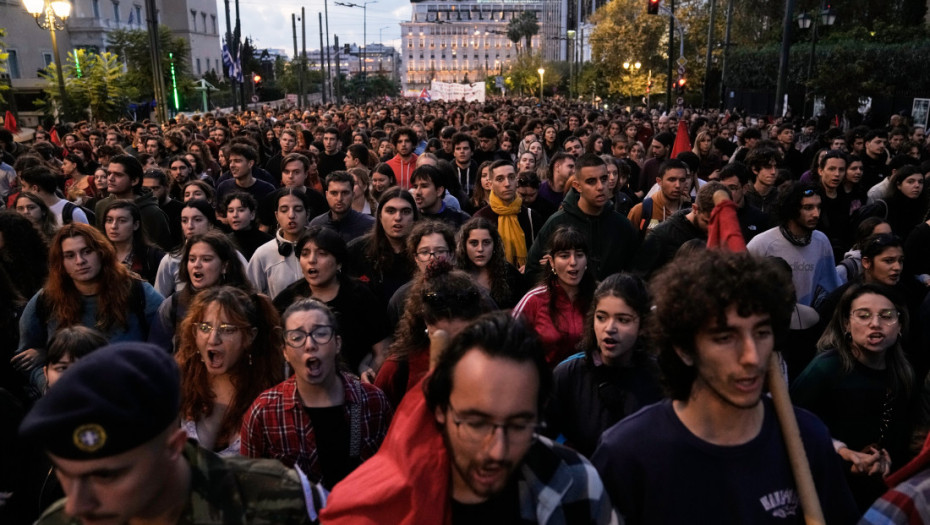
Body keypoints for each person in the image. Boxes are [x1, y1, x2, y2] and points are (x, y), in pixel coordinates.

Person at [592, 249, 858, 524]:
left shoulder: (807, 439)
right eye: (725, 337)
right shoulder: (627, 454)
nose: (753, 357)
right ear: (684, 349)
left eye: (761, 332)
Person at [322, 311, 618, 524]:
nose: (497, 450)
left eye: (518, 425)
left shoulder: (576, 484)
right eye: (476, 423)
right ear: (440, 410)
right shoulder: (381, 509)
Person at [18, 342, 314, 525]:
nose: (76, 505)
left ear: (173, 448)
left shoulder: (277, 499)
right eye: (66, 475)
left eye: (106, 476)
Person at [241, 298, 393, 489]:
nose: (310, 344)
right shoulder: (264, 412)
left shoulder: (372, 401)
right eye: (297, 337)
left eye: (320, 334)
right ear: (285, 352)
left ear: (337, 344)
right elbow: (251, 492)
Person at [791, 283, 916, 511]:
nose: (875, 324)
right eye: (863, 315)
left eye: (887, 316)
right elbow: (793, 428)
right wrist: (844, 456)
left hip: (877, 491)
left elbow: (901, 433)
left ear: (900, 325)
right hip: (825, 490)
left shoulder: (903, 374)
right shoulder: (825, 370)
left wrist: (886, 458)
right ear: (847, 324)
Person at [14, 223, 164, 396]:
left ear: (101, 253)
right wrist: (47, 383)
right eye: (70, 255)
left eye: (87, 251)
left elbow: (167, 343)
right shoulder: (47, 299)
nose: (80, 261)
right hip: (69, 400)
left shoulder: (136, 291)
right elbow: (26, 359)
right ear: (61, 262)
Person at [545, 273, 662, 458]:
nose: (609, 328)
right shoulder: (568, 374)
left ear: (643, 324)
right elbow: (544, 433)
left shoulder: (659, 378)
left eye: (623, 320)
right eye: (601, 317)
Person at [175, 286, 284, 456]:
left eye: (227, 329)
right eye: (205, 327)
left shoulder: (270, 391)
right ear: (194, 332)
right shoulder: (180, 380)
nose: (213, 339)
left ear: (250, 336)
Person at [273, 226, 391, 375]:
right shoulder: (287, 300)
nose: (312, 260)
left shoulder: (360, 296)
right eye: (305, 254)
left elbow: (383, 348)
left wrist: (367, 376)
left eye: (322, 254)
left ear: (339, 262)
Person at [527, 154, 639, 280]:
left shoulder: (622, 225)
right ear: (577, 186)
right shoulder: (557, 223)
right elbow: (532, 271)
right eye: (591, 181)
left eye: (603, 179)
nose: (600, 187)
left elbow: (637, 272)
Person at [148, 230, 253, 352]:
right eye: (192, 259)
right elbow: (156, 354)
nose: (196, 265)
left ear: (225, 266)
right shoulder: (173, 304)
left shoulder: (246, 304)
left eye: (206, 259)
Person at [747, 182, 841, 307]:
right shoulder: (762, 244)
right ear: (791, 209)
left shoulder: (821, 241)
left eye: (818, 207)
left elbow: (833, 287)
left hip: (805, 321)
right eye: (808, 208)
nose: (816, 214)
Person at [514, 226, 596, 367]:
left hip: (588, 384)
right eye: (564, 256)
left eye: (579, 255)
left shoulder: (599, 298)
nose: (573, 262)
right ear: (551, 262)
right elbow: (507, 343)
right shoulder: (534, 299)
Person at [345, 187, 419, 305]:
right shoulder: (356, 250)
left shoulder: (423, 253)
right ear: (380, 215)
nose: (398, 217)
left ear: (414, 217)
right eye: (390, 211)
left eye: (405, 211)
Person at [94, 154, 173, 251]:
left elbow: (163, 251)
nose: (110, 178)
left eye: (118, 175)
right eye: (109, 173)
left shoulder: (152, 212)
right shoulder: (102, 206)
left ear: (134, 180)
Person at [474, 160, 542, 269]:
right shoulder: (481, 219)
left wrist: (530, 266)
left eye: (511, 177)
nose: (507, 184)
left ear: (516, 181)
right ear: (490, 184)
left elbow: (542, 253)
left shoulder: (531, 217)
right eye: (500, 179)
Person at [247, 188, 311, 299]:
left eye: (298, 209)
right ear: (277, 216)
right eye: (284, 210)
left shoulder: (321, 249)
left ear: (307, 214)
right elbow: (252, 296)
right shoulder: (263, 254)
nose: (291, 215)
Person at [455, 217, 525, 310]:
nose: (480, 249)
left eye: (486, 242)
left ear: (494, 245)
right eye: (474, 243)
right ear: (464, 246)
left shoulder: (509, 274)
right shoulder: (454, 276)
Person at [102, 200, 165, 285]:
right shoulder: (100, 255)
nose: (113, 226)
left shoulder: (153, 256)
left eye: (122, 221)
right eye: (109, 220)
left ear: (135, 225)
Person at [627, 159, 692, 237]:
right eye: (672, 180)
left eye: (682, 180)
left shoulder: (692, 210)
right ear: (659, 181)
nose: (678, 185)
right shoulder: (641, 210)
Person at [309, 171, 375, 243]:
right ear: (327, 195)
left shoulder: (370, 225)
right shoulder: (316, 225)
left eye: (345, 193)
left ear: (353, 195)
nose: (339, 198)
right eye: (334, 193)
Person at [221, 192, 273, 260]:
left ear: (252, 214)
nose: (235, 215)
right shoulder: (224, 242)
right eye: (231, 211)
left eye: (241, 210)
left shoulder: (268, 242)